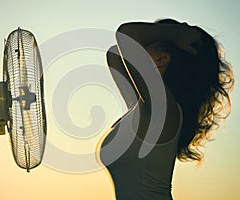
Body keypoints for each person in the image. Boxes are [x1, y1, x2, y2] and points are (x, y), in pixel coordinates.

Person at [98, 19, 234, 200]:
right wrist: (175, 33)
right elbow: (114, 53)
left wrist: (179, 33)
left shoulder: (164, 109)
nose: (139, 50)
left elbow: (125, 34)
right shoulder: (147, 109)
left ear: (162, 59)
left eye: (145, 45)